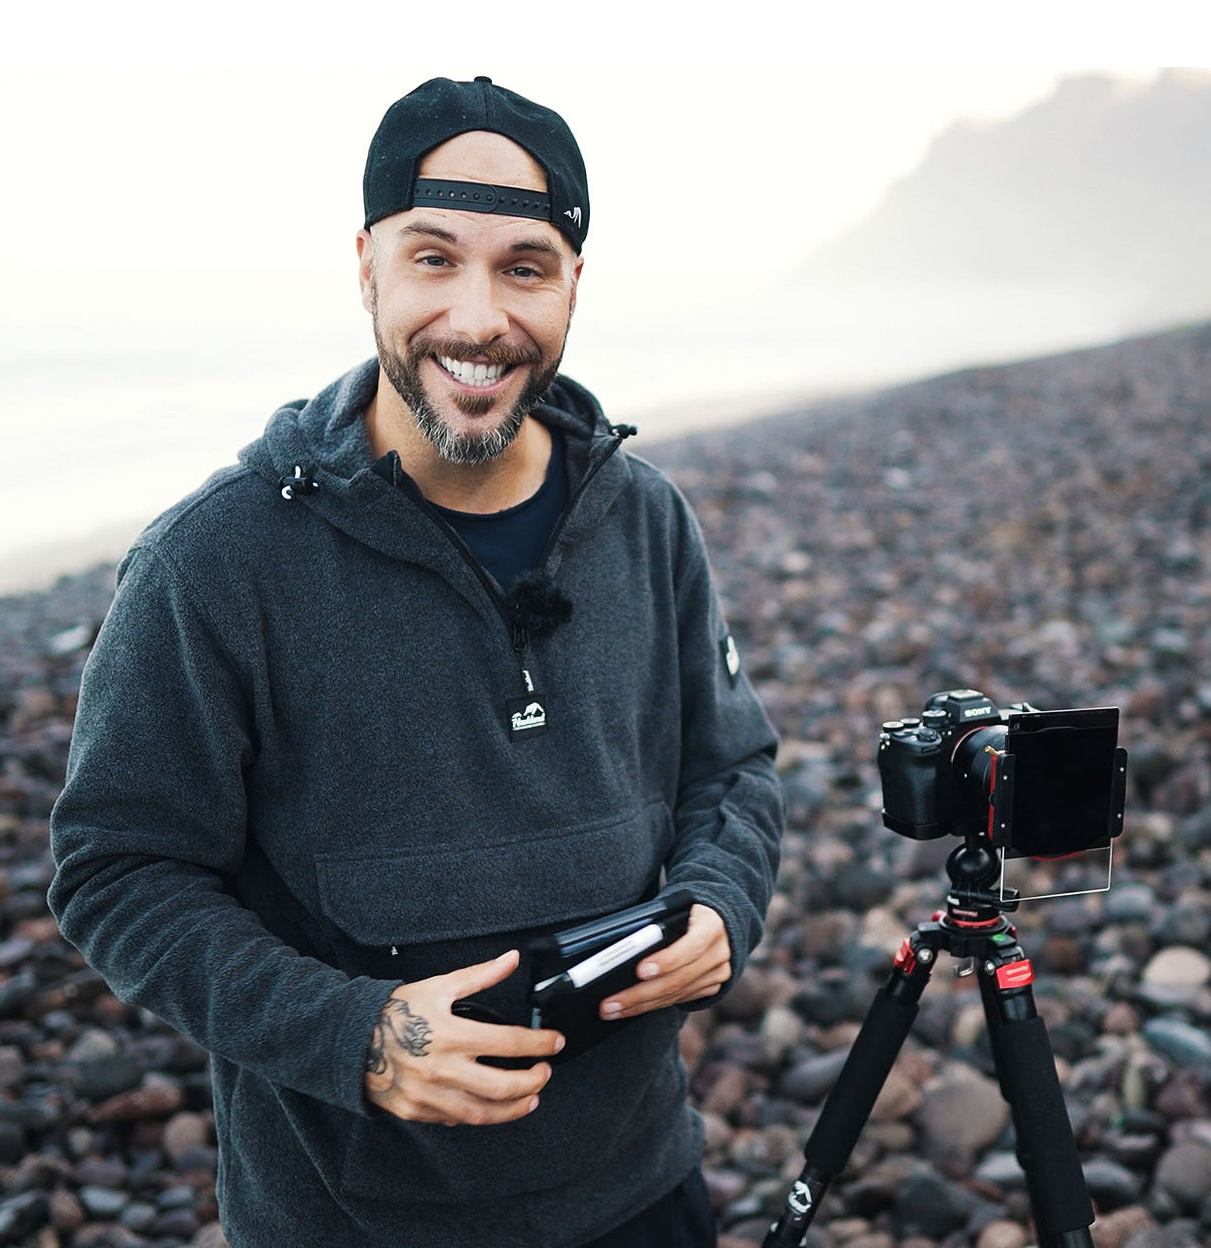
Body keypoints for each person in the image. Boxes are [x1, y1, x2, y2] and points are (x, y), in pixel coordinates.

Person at [49, 76, 784, 1248]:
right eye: (434, 258)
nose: (480, 319)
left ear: (574, 284)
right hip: (350, 1219)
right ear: (367, 266)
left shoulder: (643, 520)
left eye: (525, 267)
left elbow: (734, 770)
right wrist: (360, 1039)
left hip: (639, 1184)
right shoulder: (218, 560)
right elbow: (117, 870)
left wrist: (719, 907)